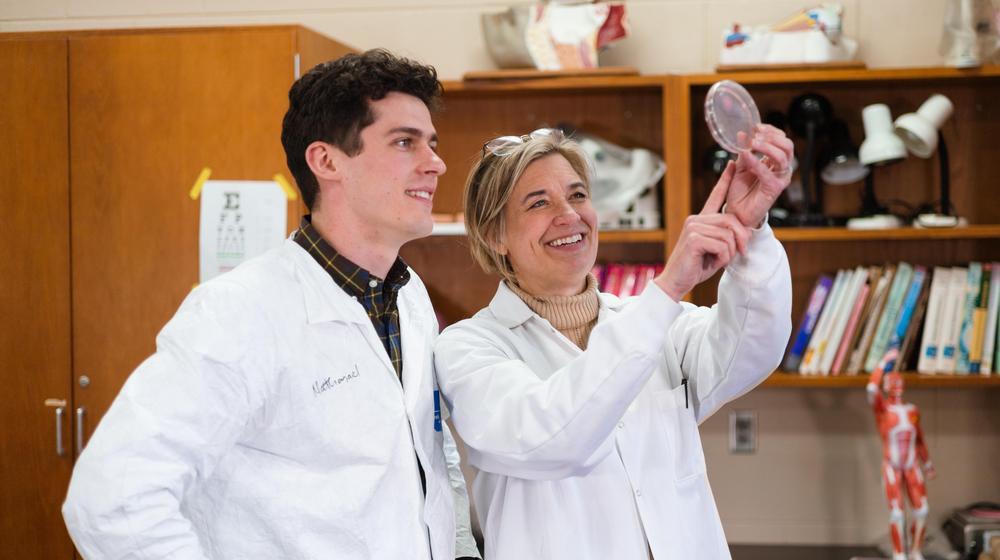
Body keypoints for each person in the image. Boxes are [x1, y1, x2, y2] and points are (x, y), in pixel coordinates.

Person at [62, 49, 480, 560]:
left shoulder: (407, 294)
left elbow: (431, 465)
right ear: (326, 161)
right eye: (404, 143)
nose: (435, 163)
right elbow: (111, 497)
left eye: (431, 143)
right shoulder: (239, 311)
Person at [433, 127, 794, 559]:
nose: (569, 215)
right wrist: (668, 288)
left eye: (578, 195)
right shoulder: (468, 349)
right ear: (495, 235)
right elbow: (552, 438)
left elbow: (754, 345)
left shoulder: (659, 325)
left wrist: (748, 228)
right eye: (539, 202)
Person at [867, 348, 935, 560]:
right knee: (897, 512)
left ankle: (916, 550)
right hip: (892, 466)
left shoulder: (912, 411)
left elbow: (920, 439)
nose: (896, 385)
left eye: (899, 381)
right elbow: (870, 388)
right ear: (886, 386)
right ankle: (899, 553)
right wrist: (884, 362)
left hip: (911, 464)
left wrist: (928, 462)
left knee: (922, 510)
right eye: (892, 381)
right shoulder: (883, 410)